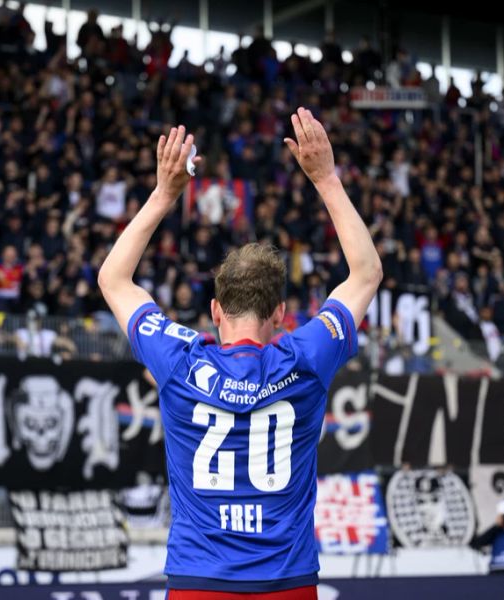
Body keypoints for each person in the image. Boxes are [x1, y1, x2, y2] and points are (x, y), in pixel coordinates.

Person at [97, 109, 382, 597]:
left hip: (198, 580)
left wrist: (165, 193)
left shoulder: (180, 362)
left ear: (214, 309)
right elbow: (366, 273)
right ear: (279, 314)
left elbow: (113, 279)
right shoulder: (306, 356)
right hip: (286, 582)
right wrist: (327, 178)